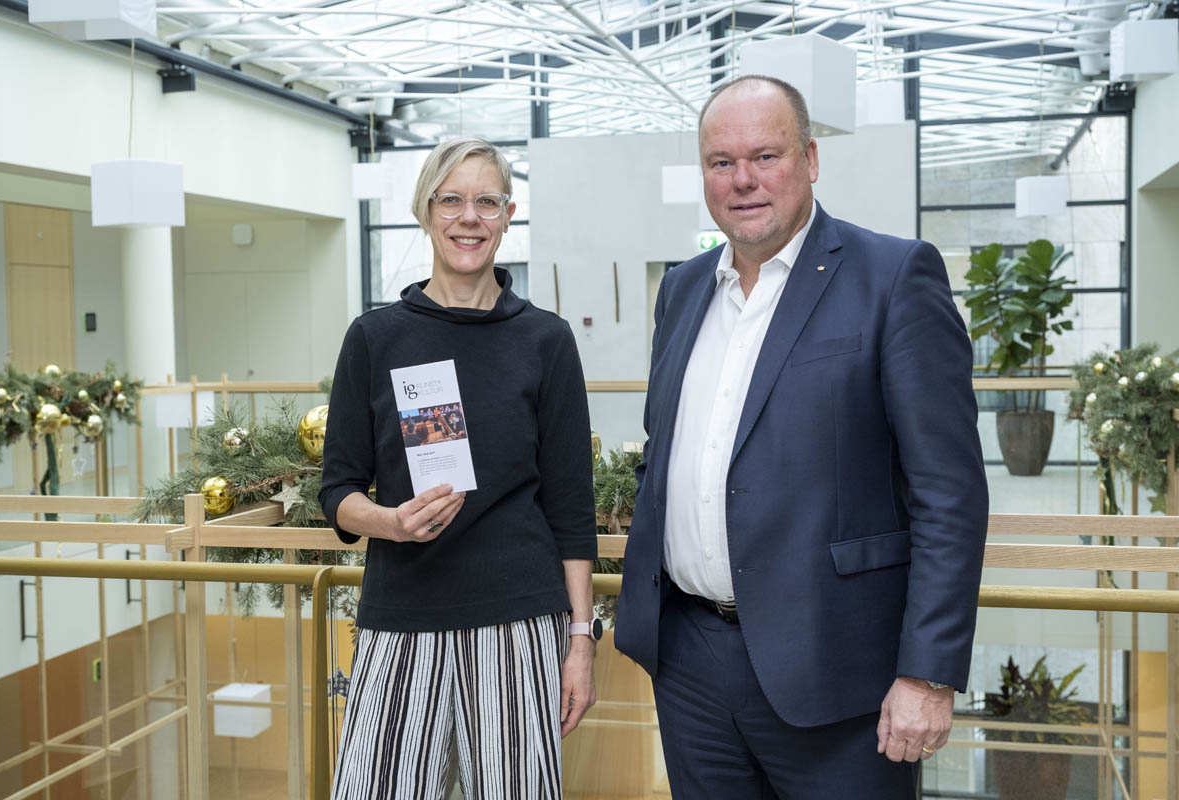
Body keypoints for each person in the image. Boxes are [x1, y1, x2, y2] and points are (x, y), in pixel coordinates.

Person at [614, 76, 988, 798]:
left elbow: (949, 493)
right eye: (722, 162)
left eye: (766, 155)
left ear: (811, 159)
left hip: (840, 675)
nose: (743, 180)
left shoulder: (892, 276)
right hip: (691, 665)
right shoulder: (685, 289)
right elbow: (668, 453)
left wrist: (928, 671)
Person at [319, 137, 600, 800]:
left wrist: (581, 641)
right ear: (426, 210)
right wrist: (387, 521)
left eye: (486, 201)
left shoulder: (546, 341)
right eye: (452, 200)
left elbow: (571, 507)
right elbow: (337, 489)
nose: (468, 217)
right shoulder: (376, 337)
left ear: (507, 215)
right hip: (401, 613)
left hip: (516, 621)